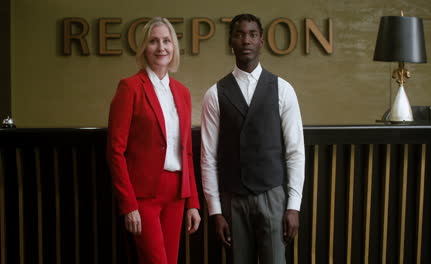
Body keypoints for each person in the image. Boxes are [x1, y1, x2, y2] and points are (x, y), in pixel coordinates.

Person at [200, 13, 305, 264]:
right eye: (239, 34)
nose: (245, 40)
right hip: (232, 199)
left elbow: (295, 151)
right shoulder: (215, 94)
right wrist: (216, 211)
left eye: (252, 34)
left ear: (261, 42)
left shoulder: (283, 89)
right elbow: (208, 157)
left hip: (273, 196)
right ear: (231, 43)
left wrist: (293, 206)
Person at [107, 17, 201, 264]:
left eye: (167, 41)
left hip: (177, 193)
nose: (161, 47)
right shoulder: (130, 88)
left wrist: (192, 202)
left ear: (174, 47)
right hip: (144, 196)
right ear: (144, 48)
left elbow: (187, 152)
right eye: (153, 41)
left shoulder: (182, 92)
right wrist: (129, 205)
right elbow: (115, 151)